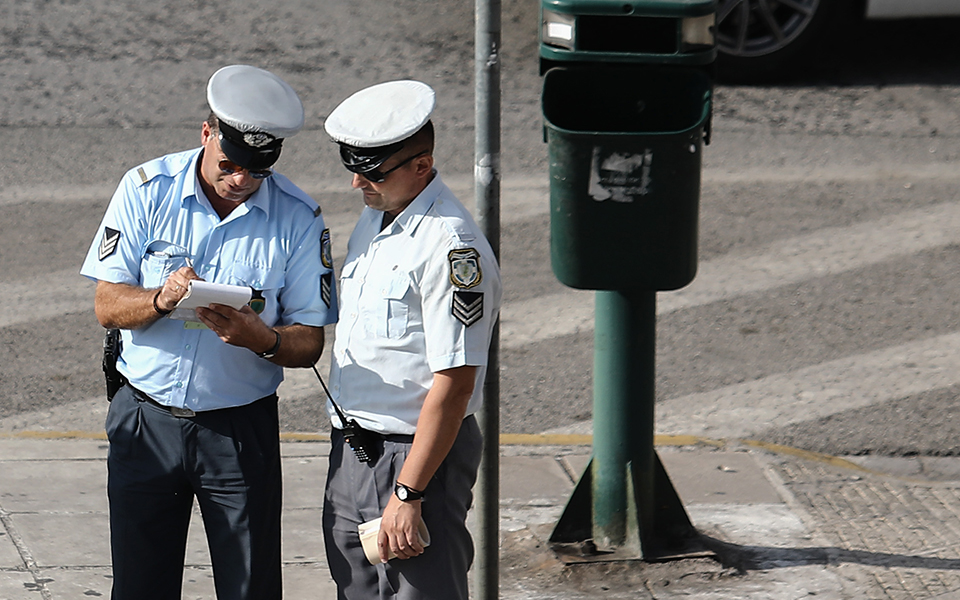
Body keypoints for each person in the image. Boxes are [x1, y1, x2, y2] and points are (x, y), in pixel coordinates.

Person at [79, 65, 338, 600]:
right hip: (145, 418)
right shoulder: (147, 189)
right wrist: (159, 299)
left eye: (256, 171)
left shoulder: (297, 219)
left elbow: (310, 341)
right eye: (230, 163)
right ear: (206, 133)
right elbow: (106, 304)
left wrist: (260, 338)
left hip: (239, 431)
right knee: (139, 585)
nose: (241, 180)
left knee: (250, 586)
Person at [321, 80, 502, 600]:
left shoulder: (450, 248)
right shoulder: (378, 215)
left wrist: (409, 491)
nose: (358, 184)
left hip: (415, 456)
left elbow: (455, 382)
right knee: (355, 589)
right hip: (355, 448)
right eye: (352, 168)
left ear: (421, 167)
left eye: (372, 172)